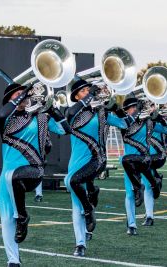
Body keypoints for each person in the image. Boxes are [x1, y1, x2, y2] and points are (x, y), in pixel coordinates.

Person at [0, 83, 70, 266]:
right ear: (10, 100)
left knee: (14, 177)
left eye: (24, 93)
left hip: (33, 171)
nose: (23, 96)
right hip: (7, 176)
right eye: (17, 95)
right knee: (6, 219)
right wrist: (25, 93)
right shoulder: (6, 120)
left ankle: (23, 217)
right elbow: (1, 114)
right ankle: (13, 261)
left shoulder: (41, 117)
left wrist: (52, 109)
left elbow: (65, 129)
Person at [64, 79, 130, 257]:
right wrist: (90, 95)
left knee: (74, 185)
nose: (88, 92)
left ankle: (88, 213)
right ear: (77, 96)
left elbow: (126, 124)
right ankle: (81, 242)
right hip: (76, 162)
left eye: (89, 90)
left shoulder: (102, 112)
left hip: (97, 160)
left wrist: (115, 106)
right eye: (84, 91)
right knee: (76, 206)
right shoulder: (74, 112)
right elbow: (69, 114)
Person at [121, 97, 164, 236]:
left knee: (146, 188)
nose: (134, 110)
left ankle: (149, 215)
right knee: (130, 194)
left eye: (136, 107)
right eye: (132, 108)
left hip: (145, 160)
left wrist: (158, 115)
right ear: (127, 111)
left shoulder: (149, 121)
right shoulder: (124, 122)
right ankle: (132, 225)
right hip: (130, 164)